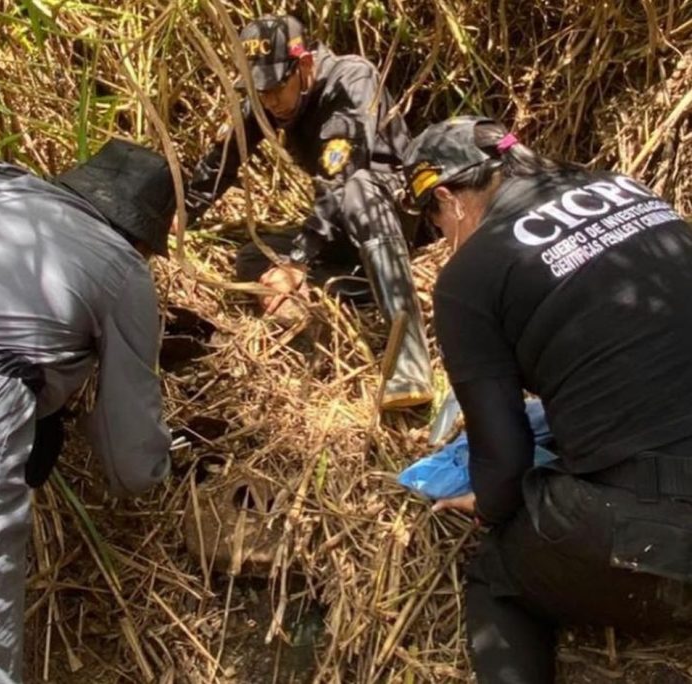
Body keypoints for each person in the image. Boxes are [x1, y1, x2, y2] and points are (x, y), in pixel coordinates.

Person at [403, 115, 692, 683]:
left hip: (661, 535)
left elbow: (504, 462)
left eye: (434, 223)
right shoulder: (628, 188)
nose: (441, 241)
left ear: (448, 199)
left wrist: (489, 504)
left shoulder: (469, 276)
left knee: (499, 574)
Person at [184, 14, 433, 410]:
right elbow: (222, 163)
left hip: (395, 212)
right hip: (341, 226)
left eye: (276, 90)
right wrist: (176, 216)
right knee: (254, 255)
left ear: (304, 65)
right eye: (259, 91)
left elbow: (342, 175)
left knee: (358, 188)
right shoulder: (270, 98)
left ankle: (410, 362)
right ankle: (346, 300)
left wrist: (298, 260)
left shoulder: (352, 79)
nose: (269, 102)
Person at [0, 139, 176, 684]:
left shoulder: (9, 186)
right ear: (141, 236)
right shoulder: (122, 269)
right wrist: (156, 471)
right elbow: (130, 455)